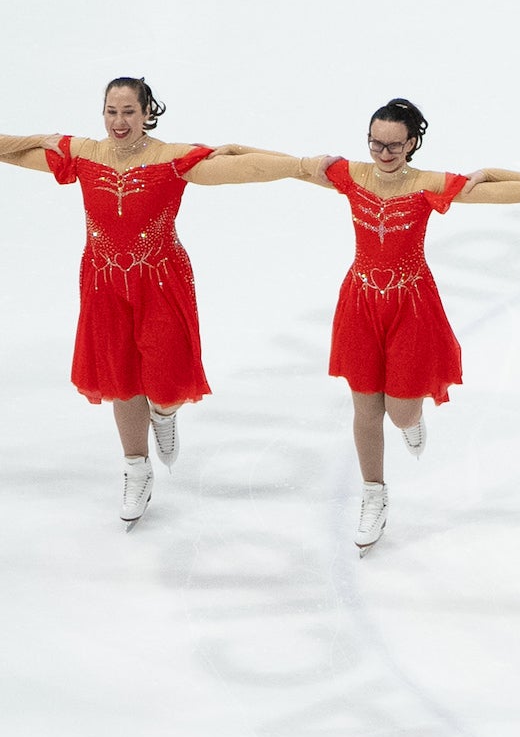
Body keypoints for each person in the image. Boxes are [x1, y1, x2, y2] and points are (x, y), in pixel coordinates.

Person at [0, 77, 320, 523]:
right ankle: (136, 469)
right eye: (111, 111)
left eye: (128, 111)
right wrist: (44, 138)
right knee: (120, 378)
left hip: (161, 280)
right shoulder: (84, 155)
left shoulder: (172, 159)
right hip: (103, 280)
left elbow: (243, 168)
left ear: (148, 112)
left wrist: (302, 165)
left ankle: (165, 413)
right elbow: (6, 149)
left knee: (166, 378)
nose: (118, 121)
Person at [300, 98, 520, 552]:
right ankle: (374, 494)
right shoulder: (351, 175)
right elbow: (288, 169)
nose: (383, 153)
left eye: (394, 145)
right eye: (376, 143)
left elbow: (491, 194)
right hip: (361, 302)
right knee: (365, 410)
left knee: (400, 411)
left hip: (411, 304)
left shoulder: (429, 185)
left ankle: (412, 419)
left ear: (412, 143)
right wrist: (243, 152)